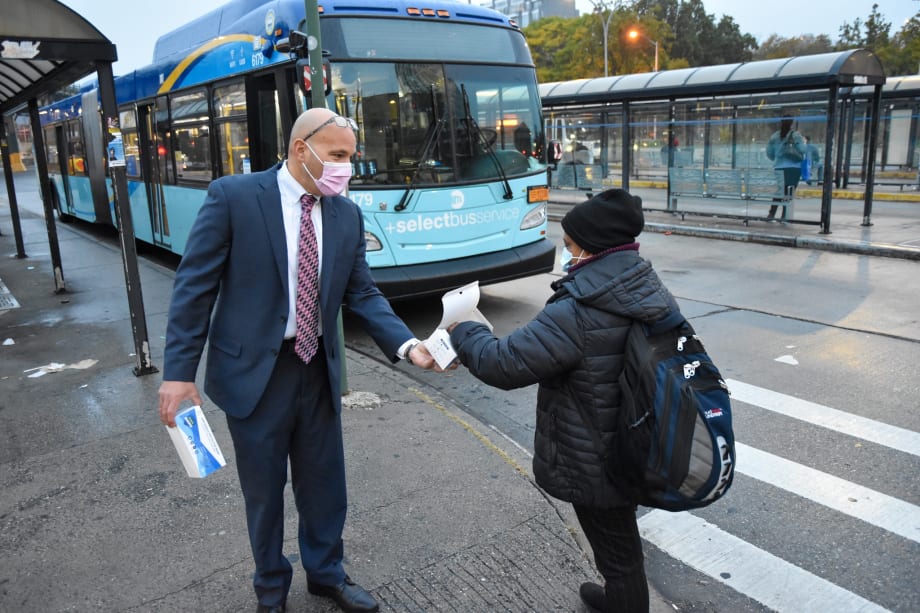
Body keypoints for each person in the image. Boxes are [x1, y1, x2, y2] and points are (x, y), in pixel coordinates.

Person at [158, 107, 436, 613]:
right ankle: (270, 589)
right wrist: (178, 375)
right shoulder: (234, 197)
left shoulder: (346, 214)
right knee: (264, 495)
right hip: (254, 375)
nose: (346, 169)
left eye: (351, 158)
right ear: (300, 149)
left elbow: (364, 293)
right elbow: (193, 289)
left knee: (326, 484)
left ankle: (326, 574)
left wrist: (407, 345)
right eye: (337, 156)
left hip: (315, 369)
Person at [448, 189, 680, 613]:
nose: (566, 253)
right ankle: (616, 597)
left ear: (593, 246)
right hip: (636, 439)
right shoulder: (643, 285)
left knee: (618, 553)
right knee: (620, 541)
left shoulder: (579, 309)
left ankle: (621, 602)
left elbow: (503, 364)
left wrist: (464, 329)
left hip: (594, 454)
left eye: (570, 246)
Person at [765, 116, 806, 221]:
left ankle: (771, 213)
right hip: (794, 168)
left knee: (780, 190)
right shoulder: (796, 135)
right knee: (789, 192)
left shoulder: (774, 136)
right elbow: (802, 150)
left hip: (779, 167)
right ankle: (784, 215)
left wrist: (778, 157)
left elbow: (769, 154)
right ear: (792, 123)